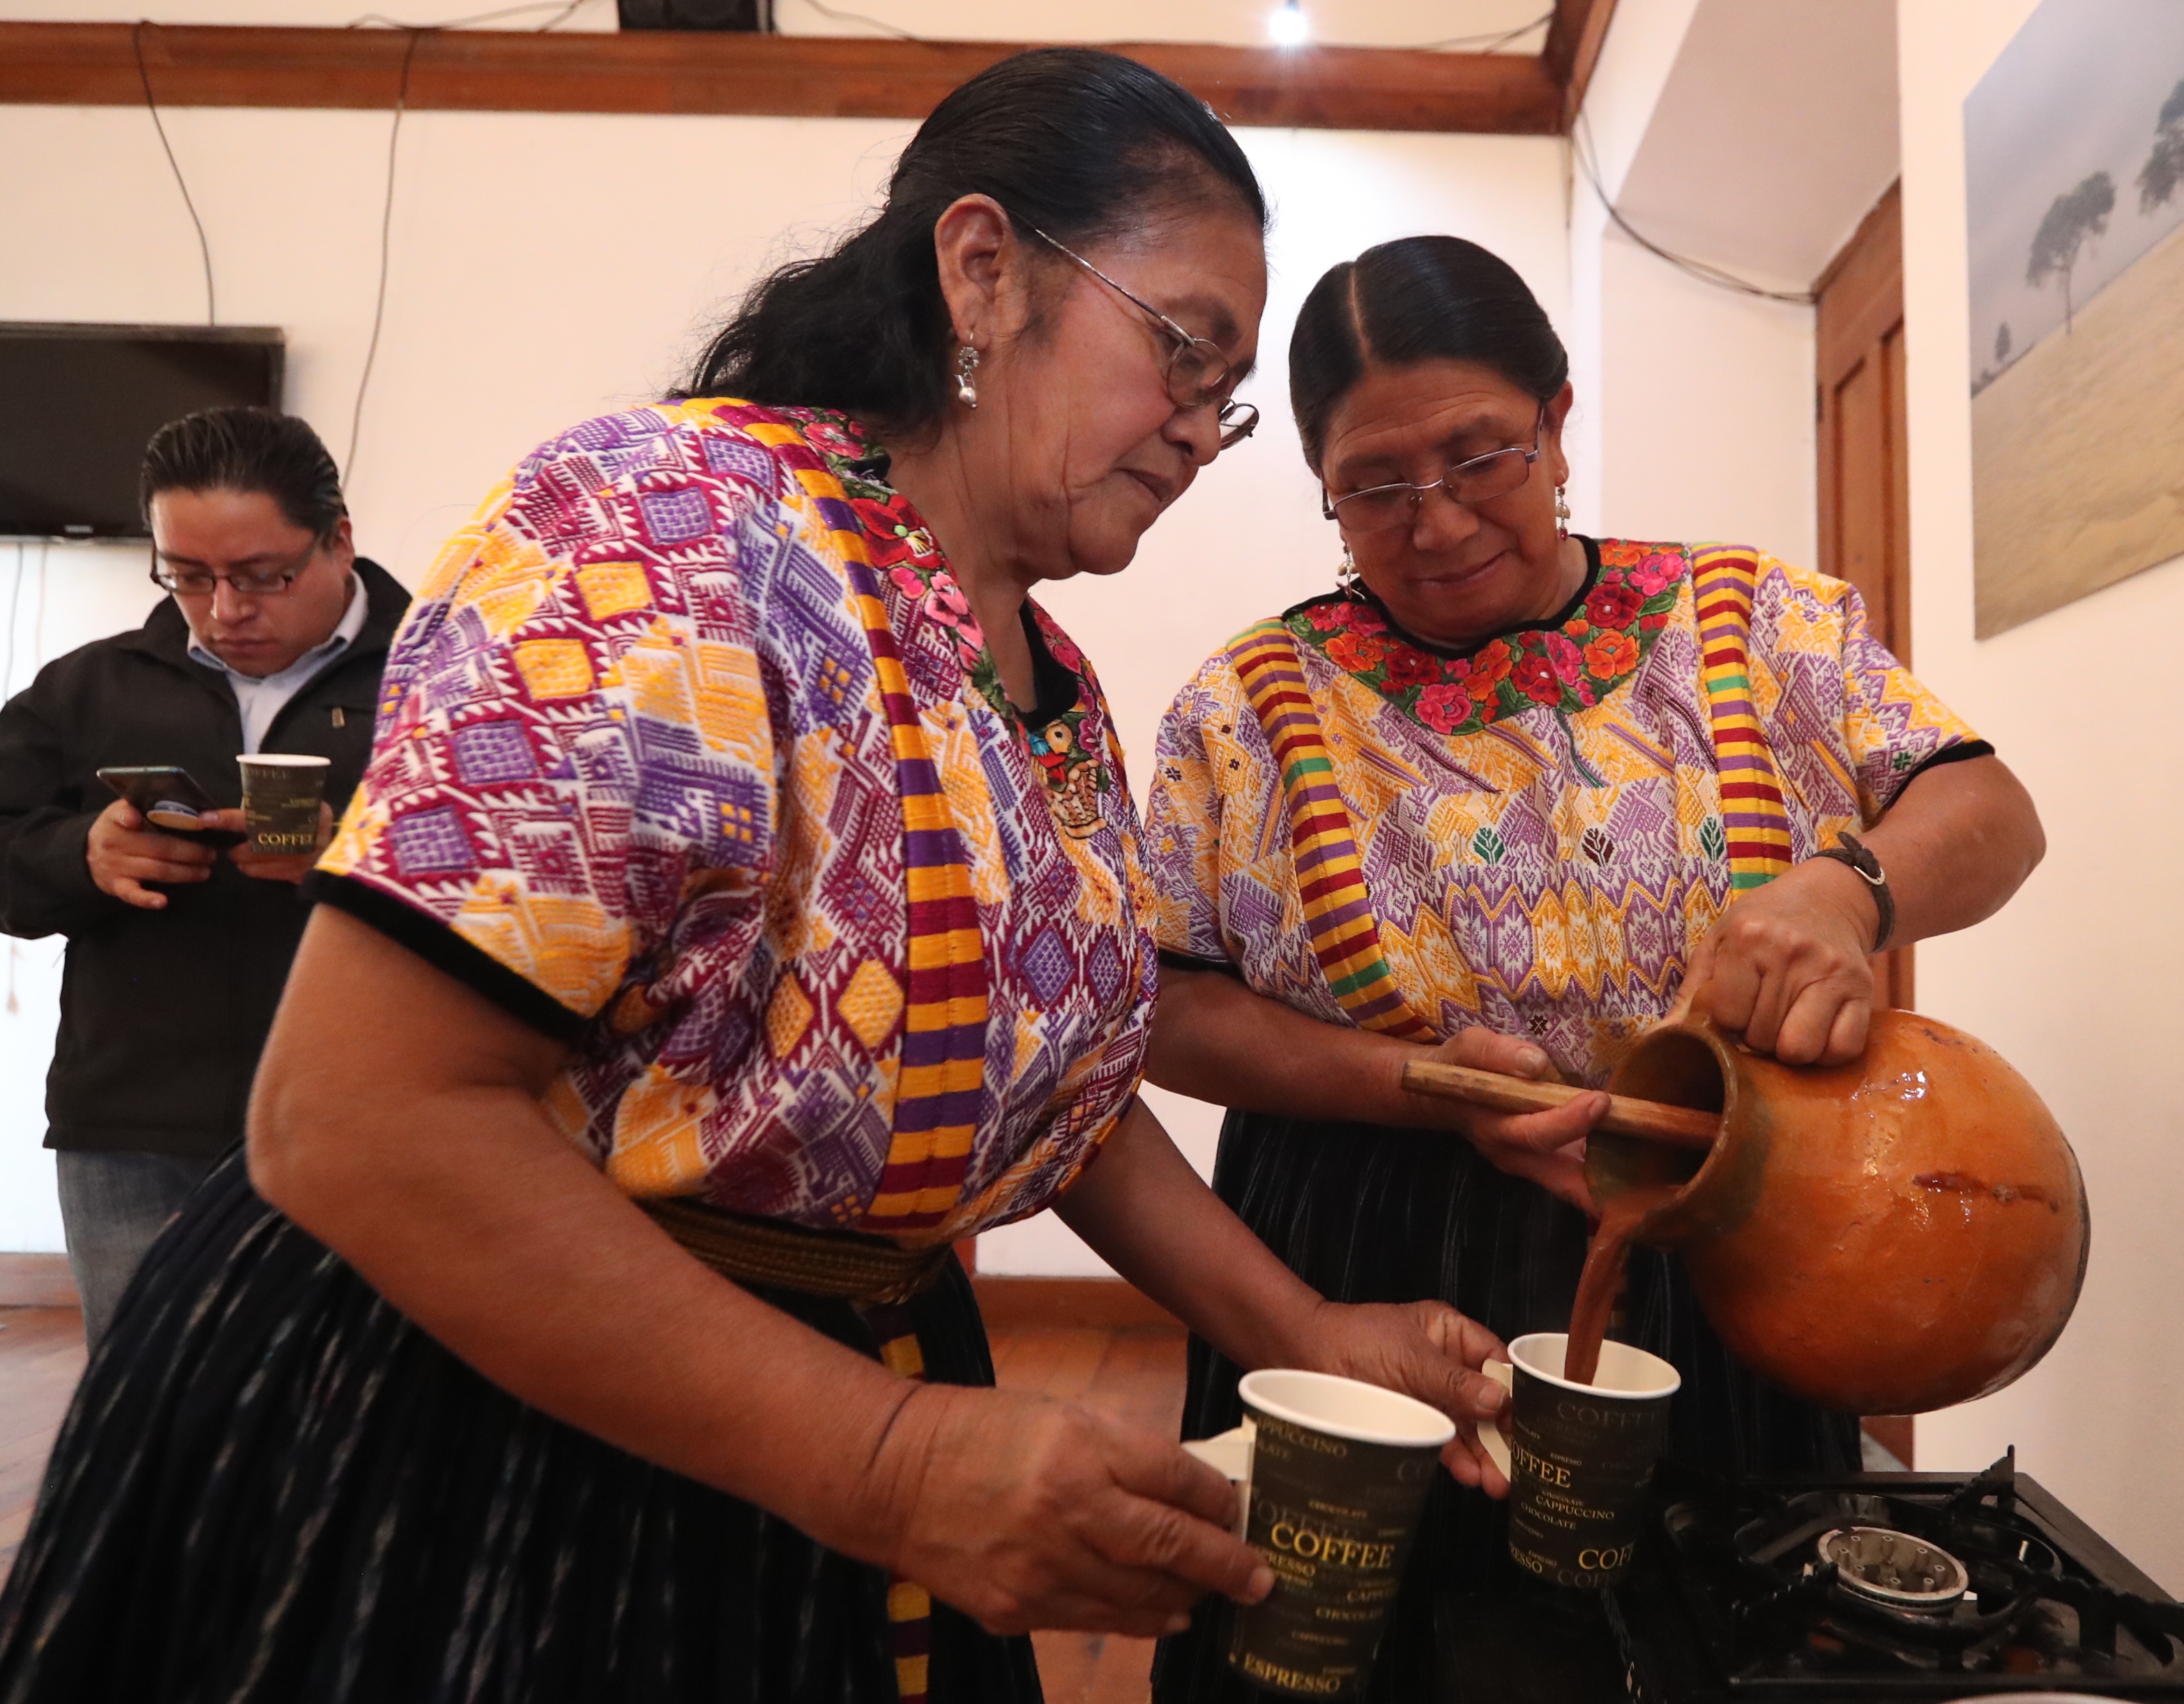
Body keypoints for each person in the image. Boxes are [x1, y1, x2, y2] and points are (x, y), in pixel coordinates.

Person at [0, 52, 1508, 1704]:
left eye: (1222, 393)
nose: (1202, 431)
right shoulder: (662, 530)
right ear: (983, 270)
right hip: (496, 1429)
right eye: (1181, 352)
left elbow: (1050, 1092)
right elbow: (358, 1118)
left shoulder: (1047, 690)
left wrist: (1306, 1331)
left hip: (848, 1404)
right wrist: (889, 1460)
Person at [1142, 236, 2047, 1699]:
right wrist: (1418, 1090)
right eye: (1372, 484)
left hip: (1714, 1231)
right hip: (1359, 1241)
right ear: (1316, 480)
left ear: (1557, 422)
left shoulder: (1751, 626)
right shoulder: (1245, 708)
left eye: (1478, 455)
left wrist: (1842, 888)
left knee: (1707, 1632)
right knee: (1348, 1651)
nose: (1431, 522)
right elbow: (1165, 1011)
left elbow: (1992, 813)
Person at [0, 406, 407, 1348]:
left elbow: (539, 886)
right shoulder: (90, 688)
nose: (226, 609)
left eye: (266, 576)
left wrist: (356, 857)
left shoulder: (447, 676)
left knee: (354, 1443)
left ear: (339, 538)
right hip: (134, 1134)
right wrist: (82, 855)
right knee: (152, 1440)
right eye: (187, 576)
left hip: (378, 1128)